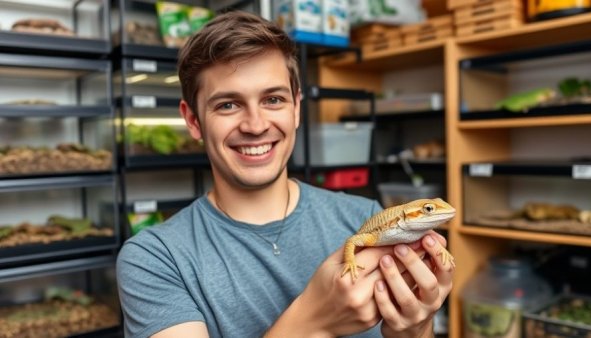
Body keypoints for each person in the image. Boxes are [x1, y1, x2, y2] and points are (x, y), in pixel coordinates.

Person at [116, 10, 454, 338]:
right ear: (193, 121)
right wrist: (315, 321)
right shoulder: (154, 259)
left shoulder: (363, 216)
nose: (256, 125)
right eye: (227, 105)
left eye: (273, 99)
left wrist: (414, 328)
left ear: (296, 108)